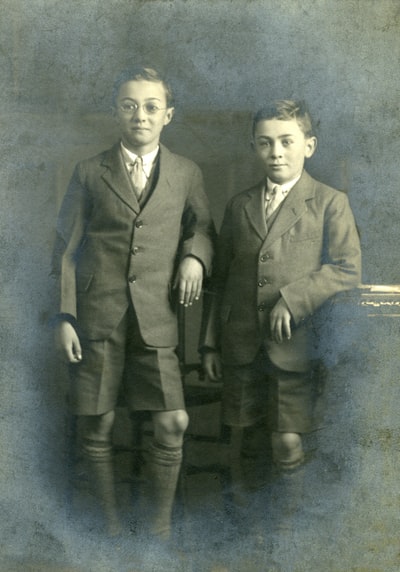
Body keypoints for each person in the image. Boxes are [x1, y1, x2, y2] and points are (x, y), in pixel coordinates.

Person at [51, 66, 215, 540]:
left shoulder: (186, 173)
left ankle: (159, 531)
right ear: (116, 112)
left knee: (173, 422)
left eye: (150, 107)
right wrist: (65, 316)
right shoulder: (89, 171)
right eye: (129, 106)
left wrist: (195, 259)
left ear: (168, 114)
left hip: (157, 318)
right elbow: (64, 249)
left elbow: (202, 228)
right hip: (97, 317)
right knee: (97, 425)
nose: (139, 116)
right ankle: (112, 533)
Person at [201, 99, 361, 539]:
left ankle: (288, 536)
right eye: (266, 143)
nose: (277, 152)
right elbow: (223, 278)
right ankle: (244, 532)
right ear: (254, 147)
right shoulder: (239, 206)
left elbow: (347, 269)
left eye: (287, 142)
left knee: (287, 442)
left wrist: (293, 298)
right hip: (239, 344)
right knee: (242, 439)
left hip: (295, 348)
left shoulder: (330, 202)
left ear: (308, 145)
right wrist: (210, 343)